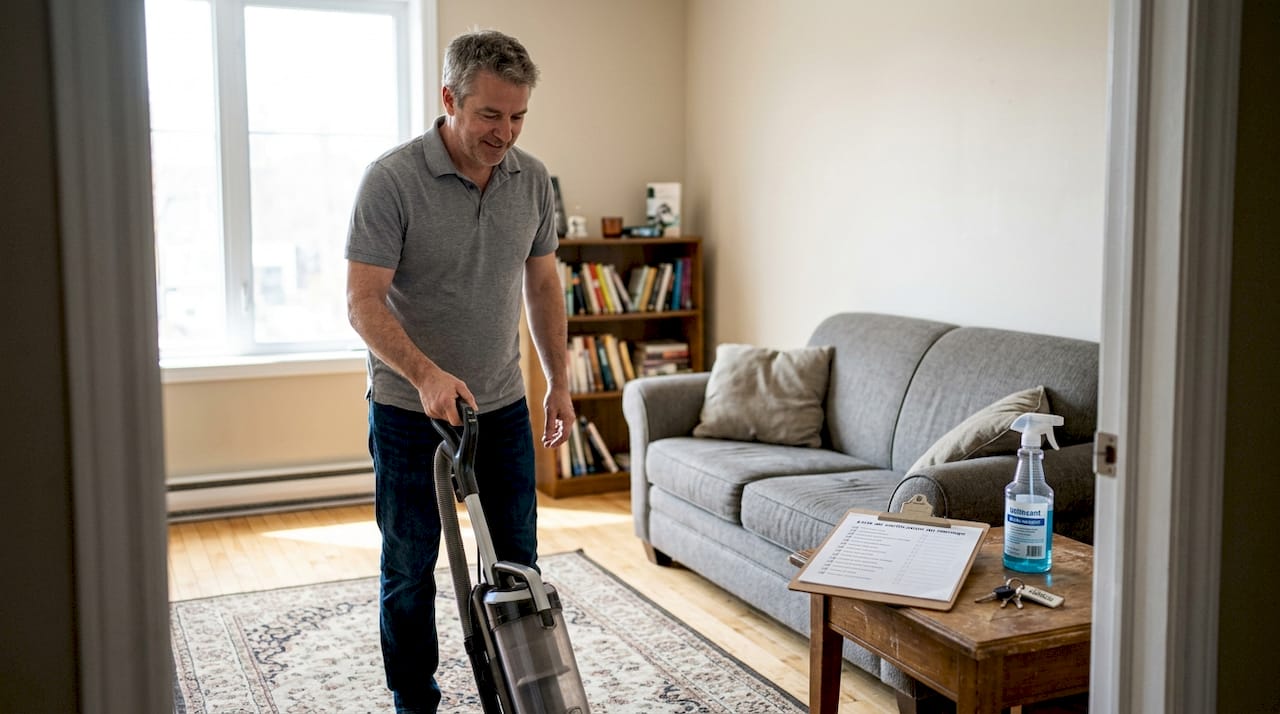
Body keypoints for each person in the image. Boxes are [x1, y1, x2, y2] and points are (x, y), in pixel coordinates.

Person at [344, 29, 573, 714]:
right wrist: (425, 373)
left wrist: (558, 380)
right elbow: (362, 303)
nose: (506, 132)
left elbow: (543, 286)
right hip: (409, 410)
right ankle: (415, 701)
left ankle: (522, 699)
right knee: (409, 570)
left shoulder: (531, 180)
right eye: (490, 115)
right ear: (450, 99)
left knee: (517, 567)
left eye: (519, 116)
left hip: (499, 406)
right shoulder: (391, 180)